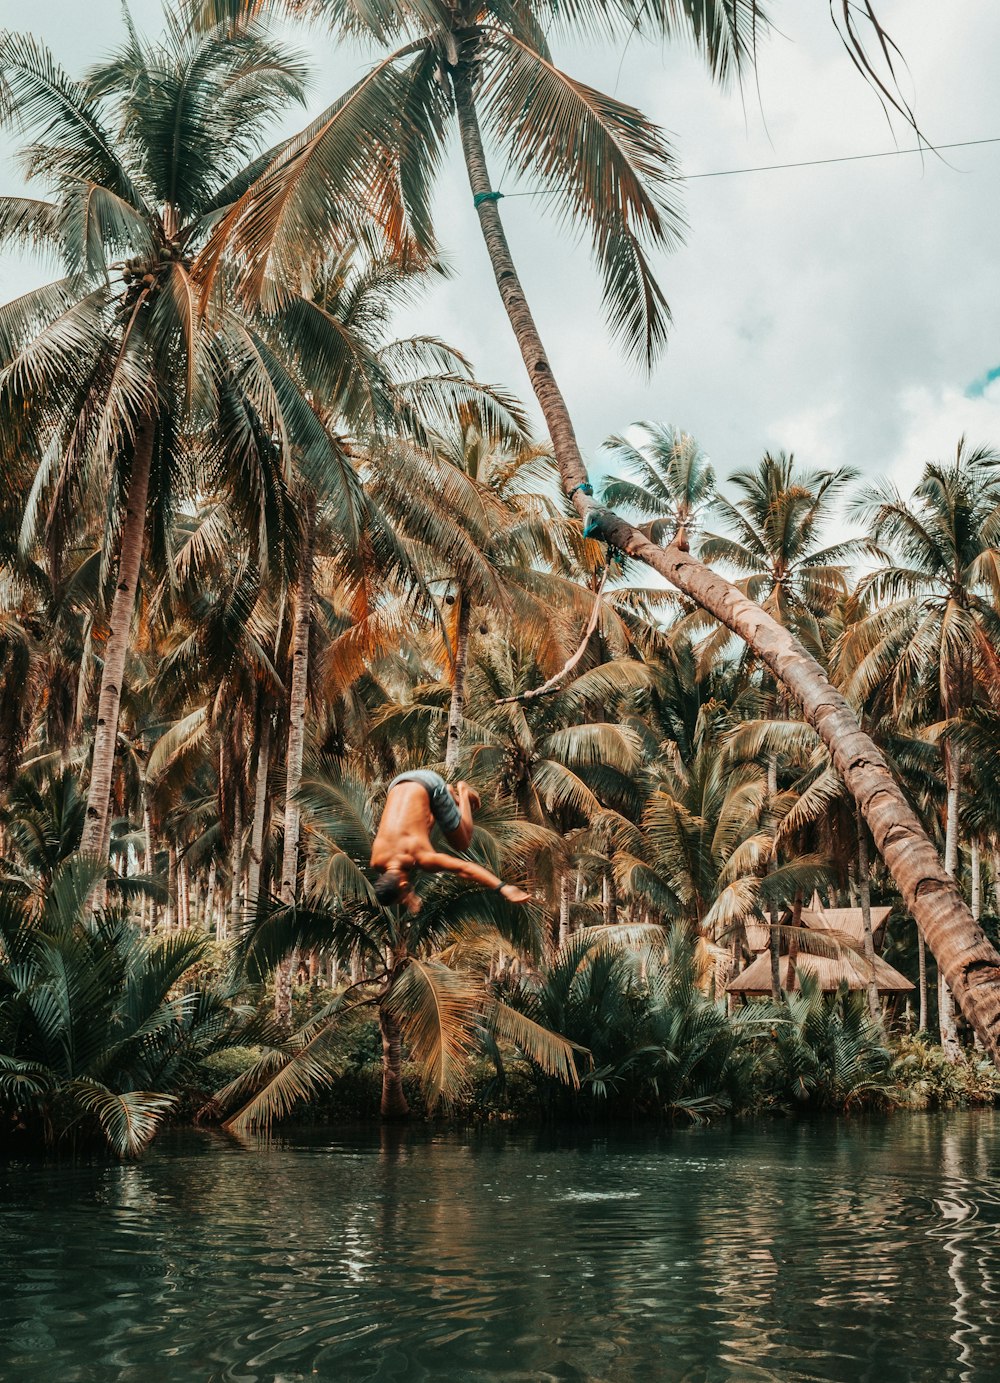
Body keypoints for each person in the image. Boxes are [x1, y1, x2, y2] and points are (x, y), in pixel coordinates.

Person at [370, 770, 530, 913]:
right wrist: (408, 894)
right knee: (422, 826)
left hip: (432, 784)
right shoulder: (377, 860)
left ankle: (463, 792)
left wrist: (503, 888)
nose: (404, 902)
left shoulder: (422, 857)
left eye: (401, 900)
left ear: (404, 886)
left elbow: (464, 868)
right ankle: (449, 796)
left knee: (462, 843)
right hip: (399, 784)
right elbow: (395, 877)